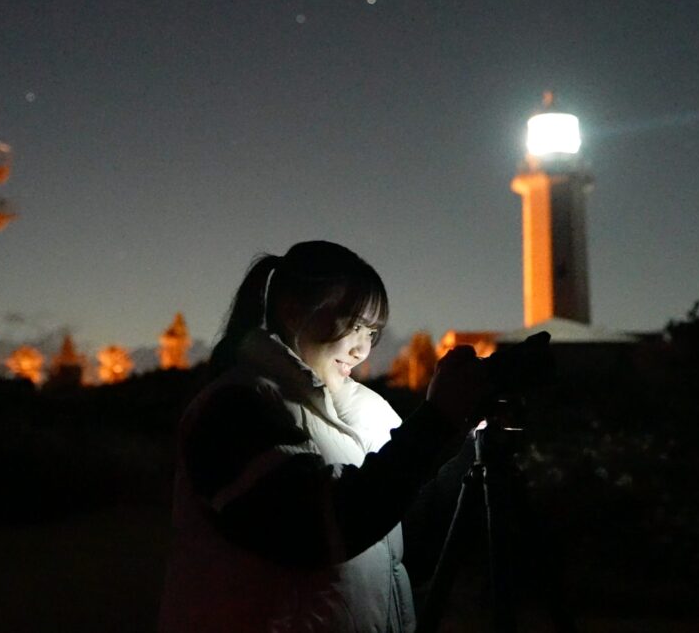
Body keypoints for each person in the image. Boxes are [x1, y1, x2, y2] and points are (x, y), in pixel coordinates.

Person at [157, 240, 488, 633]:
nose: (362, 349)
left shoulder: (370, 415)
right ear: (293, 311)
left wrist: (469, 445)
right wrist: (434, 422)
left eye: (373, 332)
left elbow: (408, 550)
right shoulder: (233, 407)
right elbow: (314, 529)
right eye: (354, 324)